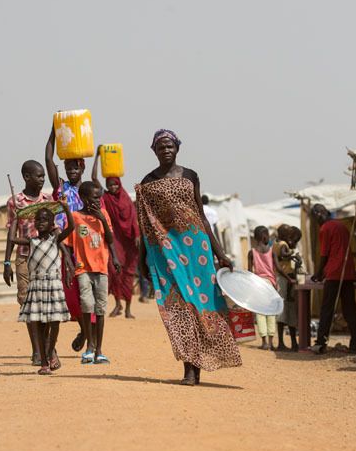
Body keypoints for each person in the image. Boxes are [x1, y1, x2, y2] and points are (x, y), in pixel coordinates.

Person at [135, 129, 241, 385]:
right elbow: (145, 225)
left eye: (169, 145)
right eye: (161, 146)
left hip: (198, 251)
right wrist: (142, 259)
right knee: (179, 308)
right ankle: (189, 369)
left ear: (177, 148)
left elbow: (201, 216)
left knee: (203, 305)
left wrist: (220, 253)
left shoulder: (191, 175)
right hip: (167, 252)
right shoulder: (147, 183)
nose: (166, 150)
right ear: (154, 151)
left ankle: (201, 362)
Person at [10, 203, 74, 374]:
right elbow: (12, 239)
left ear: (52, 223)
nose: (41, 222)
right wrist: (15, 219)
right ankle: (44, 363)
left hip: (53, 285)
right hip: (37, 286)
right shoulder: (31, 242)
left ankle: (50, 351)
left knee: (55, 322)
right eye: (38, 220)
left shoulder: (55, 239)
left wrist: (66, 209)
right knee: (38, 324)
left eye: (45, 220)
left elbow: (71, 227)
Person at [66, 181, 121, 364]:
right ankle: (89, 348)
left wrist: (114, 258)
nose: (98, 201)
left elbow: (110, 239)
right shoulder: (75, 217)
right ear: (83, 198)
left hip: (101, 268)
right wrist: (69, 264)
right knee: (87, 305)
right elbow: (67, 243)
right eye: (95, 197)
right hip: (83, 269)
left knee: (100, 309)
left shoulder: (104, 214)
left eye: (100, 197)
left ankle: (99, 350)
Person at [3, 160, 52, 364]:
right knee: (27, 303)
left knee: (46, 303)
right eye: (38, 176)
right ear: (26, 177)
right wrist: (7, 262)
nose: (42, 179)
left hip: (46, 258)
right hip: (24, 257)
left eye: (43, 176)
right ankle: (37, 351)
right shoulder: (15, 202)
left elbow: (55, 230)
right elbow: (11, 233)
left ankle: (47, 347)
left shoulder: (48, 199)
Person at [45, 124, 87, 350]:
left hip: (86, 247)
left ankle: (89, 334)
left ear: (82, 167)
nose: (71, 171)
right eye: (68, 167)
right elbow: (48, 160)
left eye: (75, 167)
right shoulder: (60, 188)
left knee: (87, 292)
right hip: (65, 247)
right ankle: (84, 329)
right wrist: (54, 129)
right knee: (71, 293)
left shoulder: (89, 190)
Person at [92, 154, 140, 318]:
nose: (112, 187)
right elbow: (94, 178)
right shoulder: (106, 197)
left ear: (119, 184)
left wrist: (137, 235)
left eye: (114, 184)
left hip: (129, 242)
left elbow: (133, 218)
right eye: (109, 184)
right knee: (114, 271)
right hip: (114, 240)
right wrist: (98, 156)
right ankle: (118, 304)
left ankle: (128, 309)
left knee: (128, 274)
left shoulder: (126, 198)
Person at [311, 204, 356, 353]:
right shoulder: (342, 226)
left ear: (319, 214)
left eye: (315, 217)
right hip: (348, 272)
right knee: (350, 308)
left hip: (334, 273)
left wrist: (318, 273)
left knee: (327, 308)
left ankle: (321, 342)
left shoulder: (325, 228)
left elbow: (325, 255)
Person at [248, 225, 277, 350]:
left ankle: (264, 342)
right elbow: (277, 269)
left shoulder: (252, 252)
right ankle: (271, 342)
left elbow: (249, 272)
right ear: (265, 236)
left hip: (258, 283)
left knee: (260, 313)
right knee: (271, 312)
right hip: (270, 284)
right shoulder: (272, 251)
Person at [274, 225, 301, 352]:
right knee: (288, 310)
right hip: (285, 279)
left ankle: (284, 342)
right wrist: (292, 254)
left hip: (284, 279)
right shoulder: (283, 244)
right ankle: (291, 343)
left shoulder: (275, 244)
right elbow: (284, 255)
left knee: (284, 311)